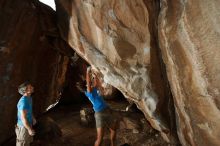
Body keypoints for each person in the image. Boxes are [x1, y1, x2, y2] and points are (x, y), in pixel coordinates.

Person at [76, 67, 117, 146]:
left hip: (107, 110)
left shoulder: (94, 89)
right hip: (99, 114)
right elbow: (88, 82)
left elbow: (97, 83)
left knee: (113, 130)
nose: (89, 83)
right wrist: (87, 72)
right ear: (86, 86)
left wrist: (95, 76)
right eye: (87, 84)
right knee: (100, 138)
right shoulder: (88, 93)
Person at [16, 82, 36, 146]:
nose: (32, 87)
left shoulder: (29, 98)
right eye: (30, 87)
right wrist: (29, 129)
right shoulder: (23, 102)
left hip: (28, 123)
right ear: (26, 91)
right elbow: (23, 118)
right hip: (23, 126)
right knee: (22, 143)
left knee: (27, 142)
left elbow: (29, 111)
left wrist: (33, 118)